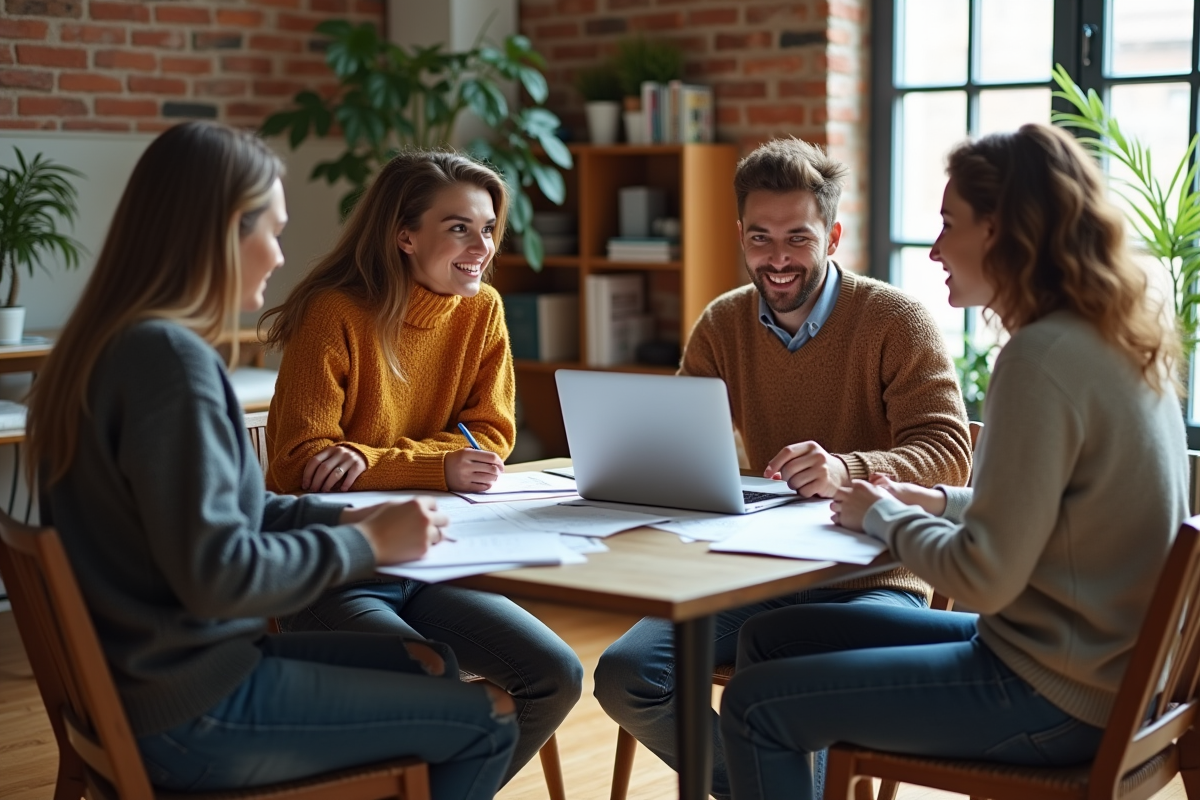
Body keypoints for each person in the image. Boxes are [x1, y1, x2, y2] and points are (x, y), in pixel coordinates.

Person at [24, 121, 517, 800]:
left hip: (154, 680)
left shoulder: (105, 346)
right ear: (223, 231)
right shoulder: (170, 364)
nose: (281, 257)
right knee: (487, 720)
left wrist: (342, 513)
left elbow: (224, 516)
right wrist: (365, 543)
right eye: (273, 233)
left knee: (427, 666)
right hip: (192, 707)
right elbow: (218, 576)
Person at [719, 123, 1190, 800]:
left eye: (949, 223)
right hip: (1102, 672)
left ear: (999, 231)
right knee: (771, 636)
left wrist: (882, 515)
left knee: (755, 707)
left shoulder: (1040, 359)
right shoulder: (1110, 337)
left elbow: (984, 575)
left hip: (1053, 694)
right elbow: (1056, 508)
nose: (937, 247)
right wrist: (936, 502)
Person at [593, 137, 973, 799]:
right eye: (761, 238)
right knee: (628, 674)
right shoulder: (722, 325)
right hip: (756, 572)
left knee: (793, 676)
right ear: (739, 233)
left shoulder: (895, 320)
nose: (777, 259)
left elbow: (949, 455)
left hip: (870, 575)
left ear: (833, 234)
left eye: (798, 238)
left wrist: (848, 468)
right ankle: (766, 788)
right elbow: (683, 449)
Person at [260, 150, 582, 780]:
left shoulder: (482, 310)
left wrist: (369, 459)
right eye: (458, 227)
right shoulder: (335, 313)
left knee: (555, 675)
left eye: (487, 228)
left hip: (433, 561)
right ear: (404, 235)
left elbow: (489, 437)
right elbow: (299, 463)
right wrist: (436, 467)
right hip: (332, 570)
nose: (481, 246)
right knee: (434, 678)